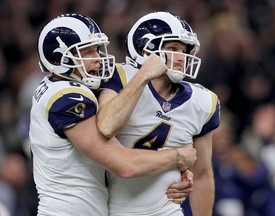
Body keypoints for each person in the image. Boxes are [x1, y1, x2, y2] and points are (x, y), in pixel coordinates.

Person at [29, 13, 197, 216]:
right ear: (59, 57)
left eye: (97, 50)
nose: (98, 58)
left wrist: (167, 174)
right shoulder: (68, 98)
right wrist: (178, 157)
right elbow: (124, 165)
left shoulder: (58, 87)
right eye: (87, 52)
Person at [97, 11, 220, 216]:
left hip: (164, 209)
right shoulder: (120, 76)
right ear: (146, 50)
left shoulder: (203, 102)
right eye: (173, 49)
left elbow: (202, 175)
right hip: (111, 207)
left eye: (185, 51)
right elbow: (107, 125)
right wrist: (144, 74)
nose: (182, 58)